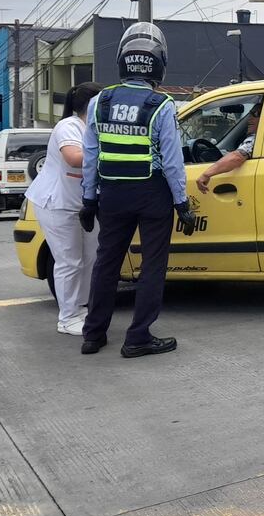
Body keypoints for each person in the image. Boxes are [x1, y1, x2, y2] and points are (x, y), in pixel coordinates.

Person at [80, 22, 196, 359]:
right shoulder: (161, 105)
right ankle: (138, 337)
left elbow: (91, 156)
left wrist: (89, 200)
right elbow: (173, 162)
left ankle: (93, 334)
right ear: (159, 62)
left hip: (111, 194)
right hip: (151, 194)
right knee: (153, 265)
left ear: (122, 59)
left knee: (107, 263)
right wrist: (182, 203)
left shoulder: (100, 101)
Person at [25, 82, 103, 335]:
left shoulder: (96, 129)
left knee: (90, 257)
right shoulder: (69, 126)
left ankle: (81, 308)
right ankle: (67, 317)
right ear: (91, 105)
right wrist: (110, 151)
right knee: (70, 260)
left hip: (83, 205)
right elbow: (73, 157)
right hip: (56, 203)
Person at [197, 103, 261, 193]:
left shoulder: (257, 138)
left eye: (256, 114)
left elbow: (237, 157)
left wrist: (206, 174)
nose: (250, 118)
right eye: (250, 114)